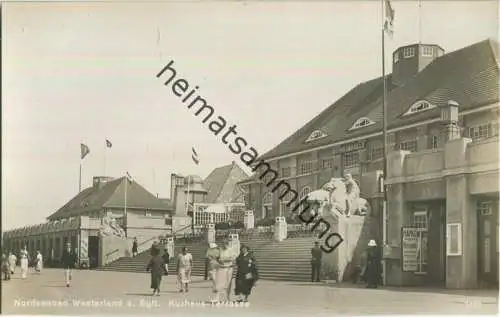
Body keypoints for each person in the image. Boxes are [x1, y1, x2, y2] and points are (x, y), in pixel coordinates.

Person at [213, 238, 237, 302]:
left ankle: (228, 297)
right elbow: (216, 258)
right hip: (222, 268)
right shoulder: (220, 250)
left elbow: (233, 259)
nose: (224, 245)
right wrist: (219, 261)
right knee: (219, 283)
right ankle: (217, 297)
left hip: (229, 268)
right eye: (223, 243)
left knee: (228, 283)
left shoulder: (231, 250)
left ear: (227, 244)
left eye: (225, 243)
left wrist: (224, 260)